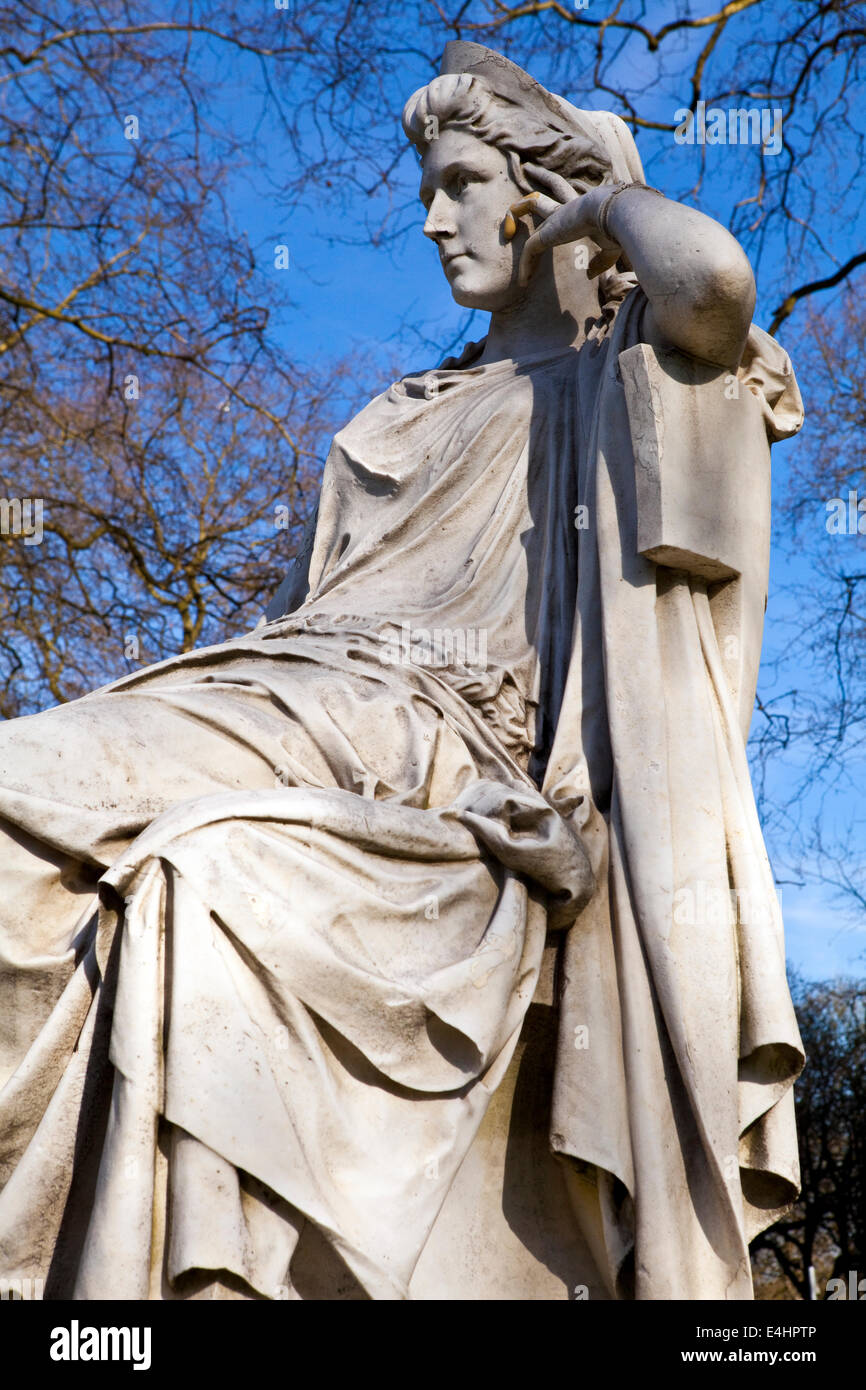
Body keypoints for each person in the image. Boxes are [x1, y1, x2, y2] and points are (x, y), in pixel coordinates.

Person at [0, 41, 804, 1300]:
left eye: (463, 182)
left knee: (31, 788)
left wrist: (594, 209)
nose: (431, 219)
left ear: (537, 193)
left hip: (409, 729)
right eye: (426, 188)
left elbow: (709, 283)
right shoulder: (390, 416)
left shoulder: (618, 380)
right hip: (270, 686)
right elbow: (297, 617)